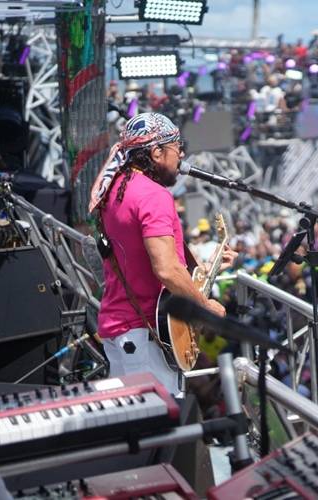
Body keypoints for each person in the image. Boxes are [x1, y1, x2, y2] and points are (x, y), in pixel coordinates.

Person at [88, 112, 230, 395]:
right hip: (144, 334)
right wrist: (205, 305)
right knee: (160, 428)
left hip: (120, 331)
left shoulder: (113, 190)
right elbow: (165, 270)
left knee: (135, 426)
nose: (181, 159)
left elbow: (141, 261)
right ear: (156, 152)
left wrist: (209, 267)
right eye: (177, 149)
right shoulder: (153, 195)